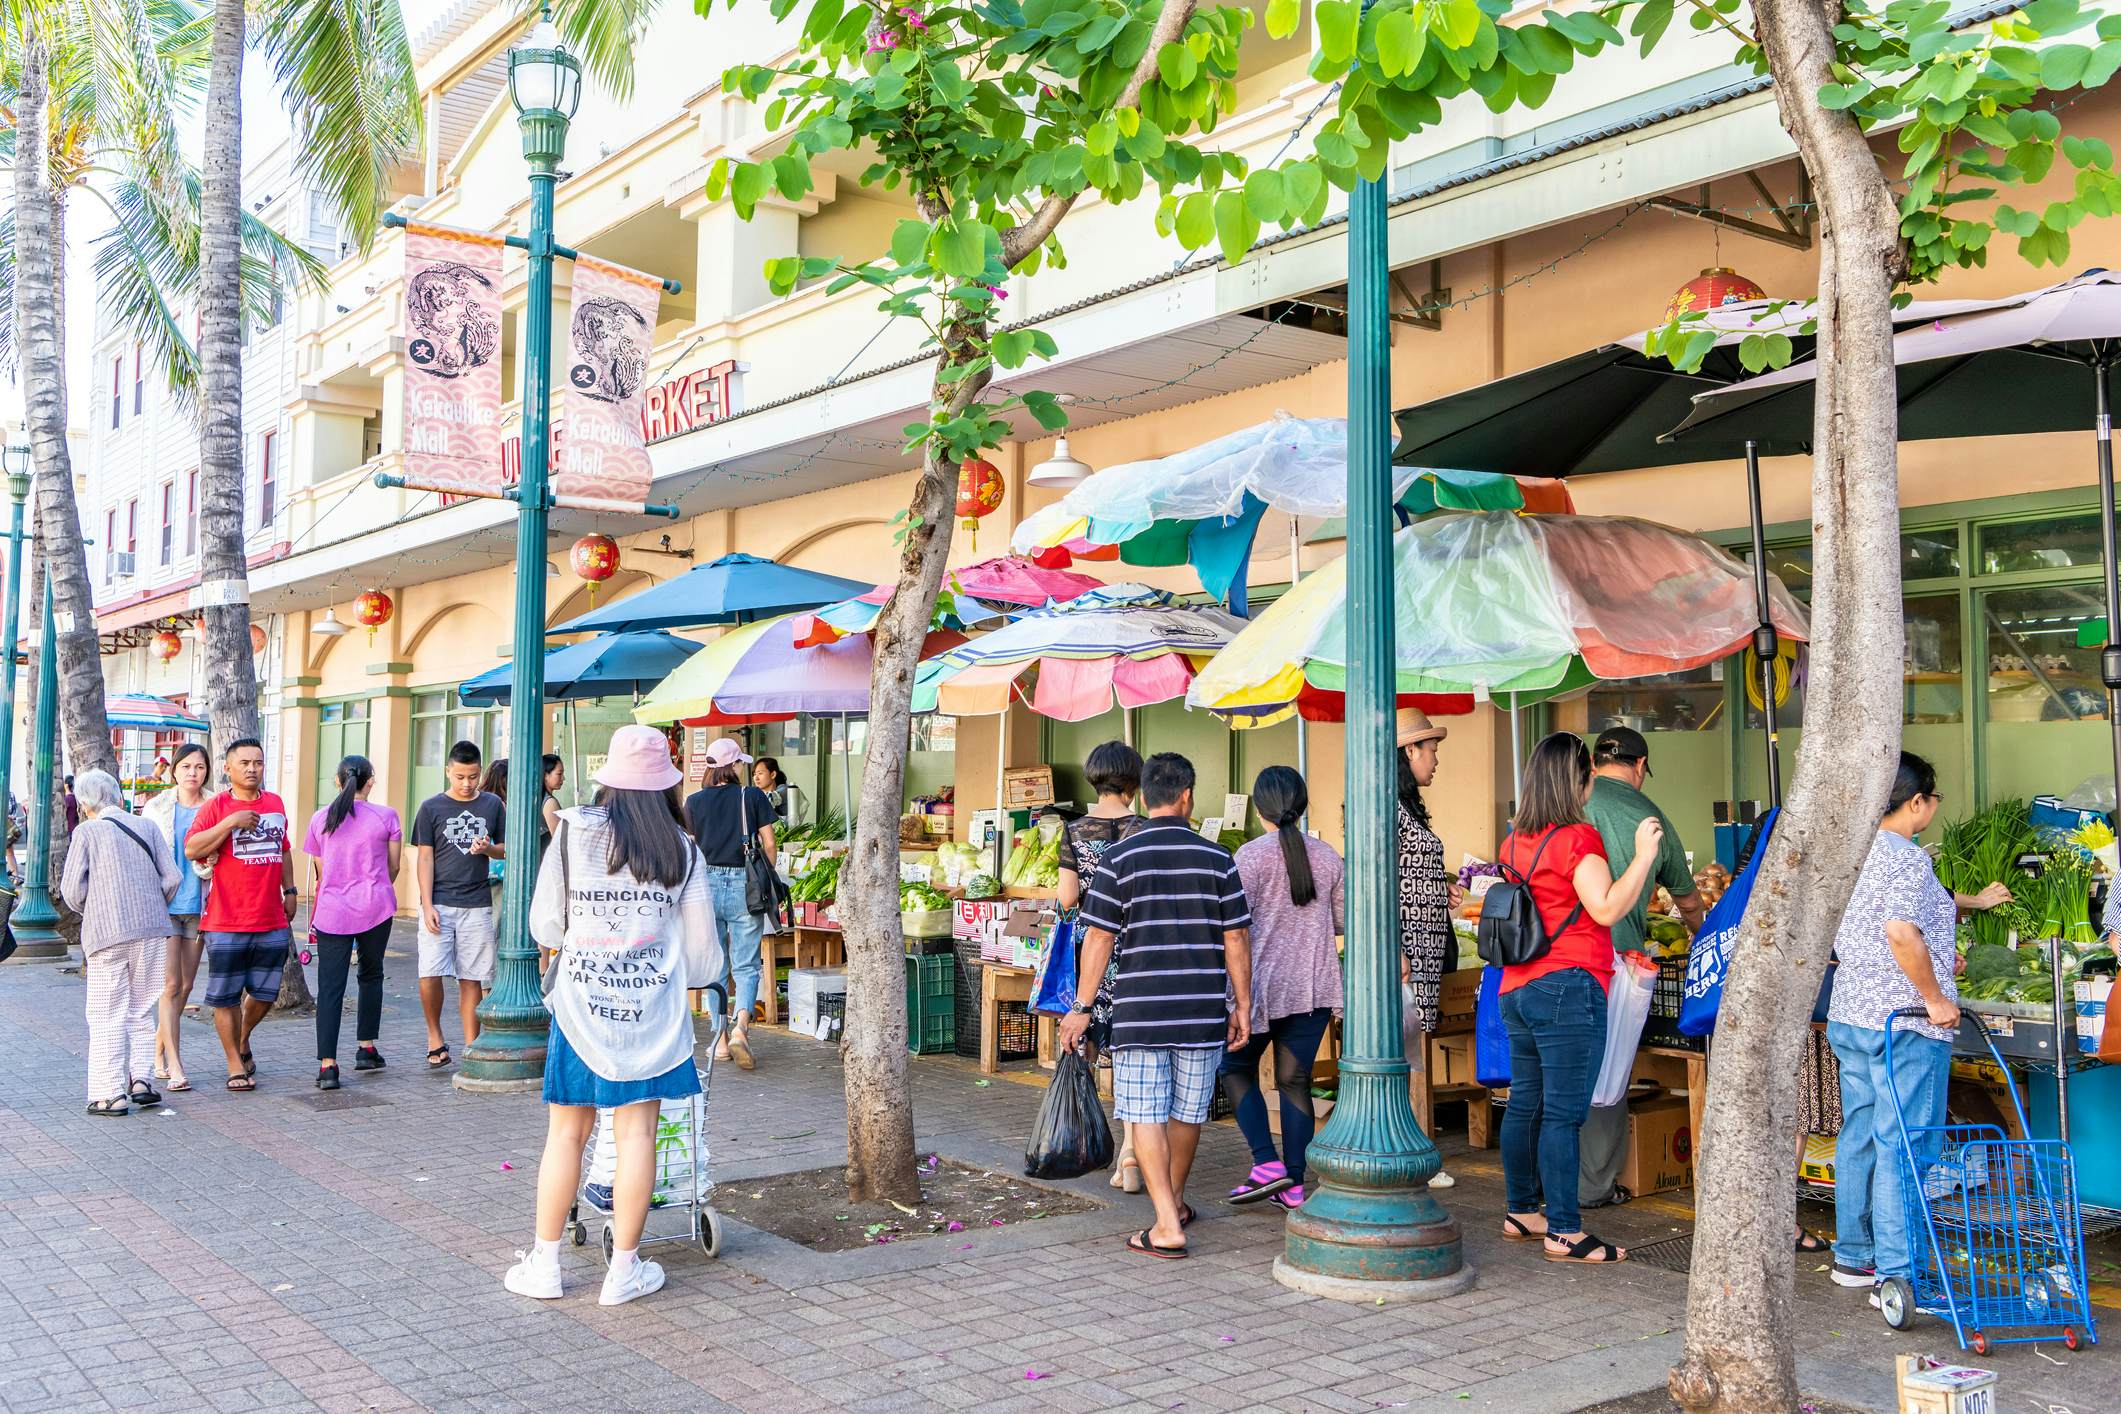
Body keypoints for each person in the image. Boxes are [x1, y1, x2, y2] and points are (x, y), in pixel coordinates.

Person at [505, 724, 723, 1307]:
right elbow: (703, 959)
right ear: (666, 784)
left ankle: (545, 1265)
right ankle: (623, 1272)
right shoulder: (684, 849)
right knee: (638, 1136)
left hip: (581, 1009)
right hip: (651, 1015)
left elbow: (545, 925)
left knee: (566, 1135)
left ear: (610, 781)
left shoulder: (574, 832)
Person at [1827, 751, 2012, 1300]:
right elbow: (1902, 932)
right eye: (1933, 799)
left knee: (1860, 1132)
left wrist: (1961, 915)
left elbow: (1909, 919)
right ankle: (1900, 1269)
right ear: (1916, 802)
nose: (1933, 807)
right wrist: (1934, 998)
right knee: (1903, 1143)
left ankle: (1853, 1256)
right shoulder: (1906, 858)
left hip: (1852, 1014)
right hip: (1903, 1021)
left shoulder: (1855, 851)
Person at [1061, 752, 1252, 1260]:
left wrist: (1081, 1007)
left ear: (1143, 797)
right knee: (1187, 1114)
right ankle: (1178, 1203)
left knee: (1145, 1113)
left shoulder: (1119, 860)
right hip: (1201, 1009)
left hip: (1140, 1009)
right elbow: (1236, 939)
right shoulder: (1218, 859)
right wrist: (1244, 1006)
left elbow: (1099, 940)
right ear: (1187, 796)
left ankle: (1166, 1221)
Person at [1495, 732, 1663, 1267]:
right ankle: (1565, 1230)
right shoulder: (1577, 840)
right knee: (1564, 1116)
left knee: (1526, 1103)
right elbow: (1608, 908)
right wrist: (1642, 856)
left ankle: (1523, 1209)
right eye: (1589, 773)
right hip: (1568, 986)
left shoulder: (1514, 841)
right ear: (1579, 778)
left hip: (1516, 988)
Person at [1576, 726, 1711, 1214]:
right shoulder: (1647, 815)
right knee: (1607, 1075)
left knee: (1562, 1071)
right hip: (1616, 960)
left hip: (1554, 959)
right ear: (1640, 765)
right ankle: (1592, 1186)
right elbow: (1689, 900)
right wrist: (1706, 941)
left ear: (1593, 764)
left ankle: (1544, 1186)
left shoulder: (1568, 801)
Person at [1221, 766, 1343, 1211]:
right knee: (1296, 1082)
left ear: (1258, 808)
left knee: (1233, 1070)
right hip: (1312, 987)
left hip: (1259, 988)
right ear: (1303, 803)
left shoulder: (1248, 858)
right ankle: (1293, 1184)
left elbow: (1232, 929)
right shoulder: (1328, 857)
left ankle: (1265, 1163)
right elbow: (1342, 920)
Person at [63, 771, 182, 1115]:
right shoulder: (147, 826)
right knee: (140, 1008)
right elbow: (172, 877)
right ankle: (142, 1080)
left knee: (106, 1014)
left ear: (85, 804)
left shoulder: (87, 831)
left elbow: (72, 891)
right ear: (116, 796)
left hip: (108, 933)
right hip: (152, 929)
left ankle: (109, 1093)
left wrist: (100, 907)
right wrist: (148, 904)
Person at [183, 739, 297, 1092]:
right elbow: (192, 848)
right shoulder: (216, 806)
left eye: (258, 762)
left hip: (271, 917)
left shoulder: (275, 803)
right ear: (228, 769)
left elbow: (284, 850)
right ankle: (235, 1062)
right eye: (244, 763)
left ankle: (243, 1036)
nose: (252, 768)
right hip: (226, 920)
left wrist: (290, 890)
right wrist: (231, 822)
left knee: (265, 993)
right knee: (226, 995)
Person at [1057, 740, 1145, 1192]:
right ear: (1134, 782)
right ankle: (1132, 1152)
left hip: (1095, 951)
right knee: (1133, 1052)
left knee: (1101, 1049)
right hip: (1140, 952)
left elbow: (1069, 898)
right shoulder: (1146, 830)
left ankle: (1109, 1148)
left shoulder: (1073, 832)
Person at [1393, 706, 1465, 1190]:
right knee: (1408, 1056)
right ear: (1410, 751)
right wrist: (1395, 946)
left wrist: (1442, 889)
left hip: (1424, 947)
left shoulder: (1405, 808)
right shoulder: (1388, 811)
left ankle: (1417, 1151)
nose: (1436, 760)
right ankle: (1416, 1154)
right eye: (1431, 750)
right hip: (1408, 954)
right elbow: (1379, 881)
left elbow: (1409, 874)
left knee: (1414, 1053)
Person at [303, 755, 402, 1089]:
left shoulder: (320, 818)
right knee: (371, 975)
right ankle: (366, 1048)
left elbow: (320, 869)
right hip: (375, 906)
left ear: (337, 781)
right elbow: (393, 867)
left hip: (332, 911)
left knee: (330, 988)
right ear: (370, 781)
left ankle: (328, 1066)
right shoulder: (386, 816)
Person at [682, 737, 775, 1071]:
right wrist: (767, 877)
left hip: (704, 886)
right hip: (743, 884)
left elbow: (690, 850)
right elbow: (769, 842)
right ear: (733, 766)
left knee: (715, 965)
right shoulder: (750, 796)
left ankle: (719, 1041)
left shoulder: (692, 802)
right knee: (747, 964)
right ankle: (741, 1028)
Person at [412, 741, 505, 1067]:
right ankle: (434, 1035)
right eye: (461, 777)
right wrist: (426, 905)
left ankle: (472, 1044)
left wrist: (488, 850)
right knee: (430, 971)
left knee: (472, 977)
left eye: (474, 777)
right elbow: (424, 858)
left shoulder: (493, 804)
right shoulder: (431, 808)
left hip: (477, 903)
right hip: (440, 903)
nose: (467, 784)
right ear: (448, 771)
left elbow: (506, 848)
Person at [144, 743, 211, 1092]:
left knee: (185, 986)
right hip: (165, 906)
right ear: (175, 771)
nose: (192, 773)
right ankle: (175, 1063)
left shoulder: (214, 806)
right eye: (186, 766)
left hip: (199, 907)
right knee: (170, 986)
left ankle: (158, 1050)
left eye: (199, 767)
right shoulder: (156, 808)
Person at [752, 756, 792, 821]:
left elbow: (769, 799)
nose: (756, 778)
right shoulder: (757, 794)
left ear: (773, 774)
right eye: (754, 774)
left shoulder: (784, 790)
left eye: (760, 773)